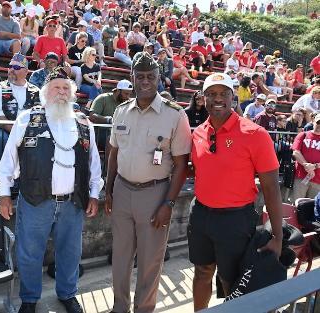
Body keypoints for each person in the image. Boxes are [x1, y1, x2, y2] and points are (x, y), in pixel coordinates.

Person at [0, 67, 102, 313]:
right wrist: (4, 193)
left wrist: (95, 193)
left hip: (73, 203)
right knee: (30, 253)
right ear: (46, 92)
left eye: (66, 88)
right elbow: (9, 158)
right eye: (56, 87)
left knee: (70, 253)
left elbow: (94, 163)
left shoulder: (84, 123)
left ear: (73, 93)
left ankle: (67, 293)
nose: (62, 92)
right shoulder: (26, 119)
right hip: (35, 201)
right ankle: (30, 299)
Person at [105, 52, 191, 313]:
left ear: (159, 79)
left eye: (150, 76)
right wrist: (108, 190)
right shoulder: (121, 112)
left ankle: (144, 309)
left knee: (150, 261)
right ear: (132, 78)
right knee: (120, 258)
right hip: (122, 191)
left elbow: (181, 166)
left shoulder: (175, 115)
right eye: (139, 76)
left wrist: (169, 202)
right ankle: (120, 308)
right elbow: (113, 153)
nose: (145, 81)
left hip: (155, 195)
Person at [189, 73, 283, 310]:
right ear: (203, 98)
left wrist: (278, 237)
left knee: (232, 280)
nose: (217, 99)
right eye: (211, 94)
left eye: (223, 94)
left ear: (233, 97)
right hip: (200, 214)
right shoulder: (198, 132)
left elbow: (272, 188)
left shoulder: (255, 134)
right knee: (202, 272)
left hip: (236, 219)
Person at [0, 53, 40, 166]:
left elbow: (40, 114)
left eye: (16, 67)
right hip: (4, 130)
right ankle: (2, 170)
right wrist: (15, 130)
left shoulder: (36, 91)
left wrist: (25, 132)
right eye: (10, 66)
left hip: (29, 130)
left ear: (26, 72)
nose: (11, 69)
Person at [291, 114, 320, 202]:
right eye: (318, 122)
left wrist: (314, 166)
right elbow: (296, 152)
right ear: (313, 122)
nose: (319, 125)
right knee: (297, 204)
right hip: (301, 177)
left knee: (312, 209)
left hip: (318, 180)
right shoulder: (303, 135)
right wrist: (306, 165)